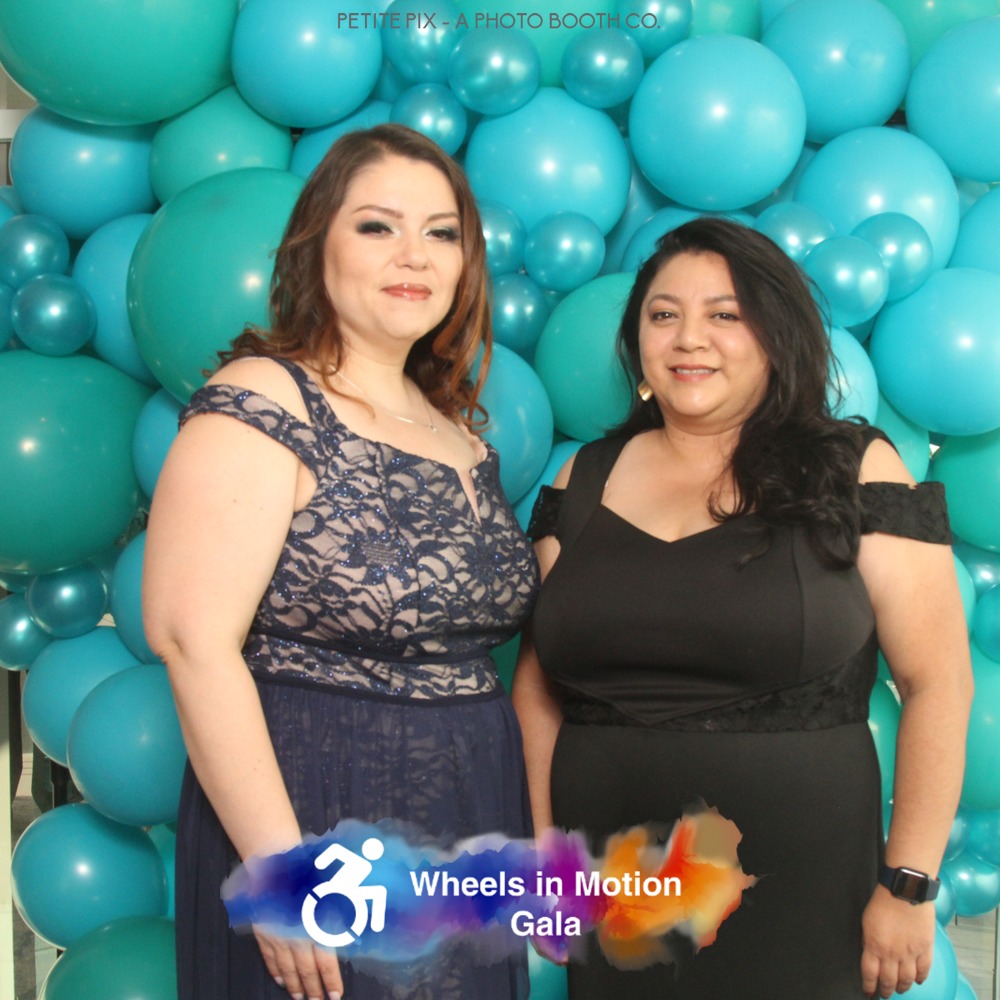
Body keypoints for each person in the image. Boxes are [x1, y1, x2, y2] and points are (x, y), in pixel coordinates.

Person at [512, 217, 972, 1000]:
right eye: (663, 314)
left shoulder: (855, 467)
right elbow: (536, 690)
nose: (689, 338)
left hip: (804, 895)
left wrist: (909, 883)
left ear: (774, 335)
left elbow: (939, 684)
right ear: (637, 342)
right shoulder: (580, 478)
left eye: (724, 313)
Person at [143, 124, 538, 1000]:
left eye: (441, 232)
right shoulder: (266, 396)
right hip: (318, 810)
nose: (414, 254)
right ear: (316, 243)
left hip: (468, 815)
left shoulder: (458, 433)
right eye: (377, 226)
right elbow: (190, 639)